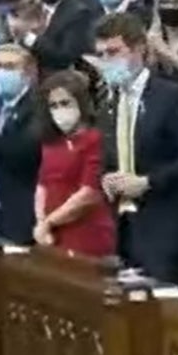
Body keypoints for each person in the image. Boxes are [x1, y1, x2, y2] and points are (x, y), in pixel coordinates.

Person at [94, 12, 178, 286]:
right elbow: (106, 155)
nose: (107, 61)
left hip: (165, 224)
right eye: (102, 54)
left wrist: (147, 182)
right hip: (124, 226)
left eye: (114, 52)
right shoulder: (108, 100)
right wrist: (106, 177)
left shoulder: (170, 96)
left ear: (139, 48)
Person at [33, 70, 117, 256]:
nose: (59, 110)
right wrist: (41, 222)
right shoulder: (52, 143)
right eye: (53, 105)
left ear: (81, 103)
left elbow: (89, 193)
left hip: (86, 233)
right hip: (52, 234)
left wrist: (49, 222)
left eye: (65, 103)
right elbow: (42, 185)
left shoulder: (94, 140)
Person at [0, 44, 40, 245]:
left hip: (21, 209)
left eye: (9, 66)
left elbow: (22, 152)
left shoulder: (37, 107)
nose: (0, 72)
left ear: (29, 72)